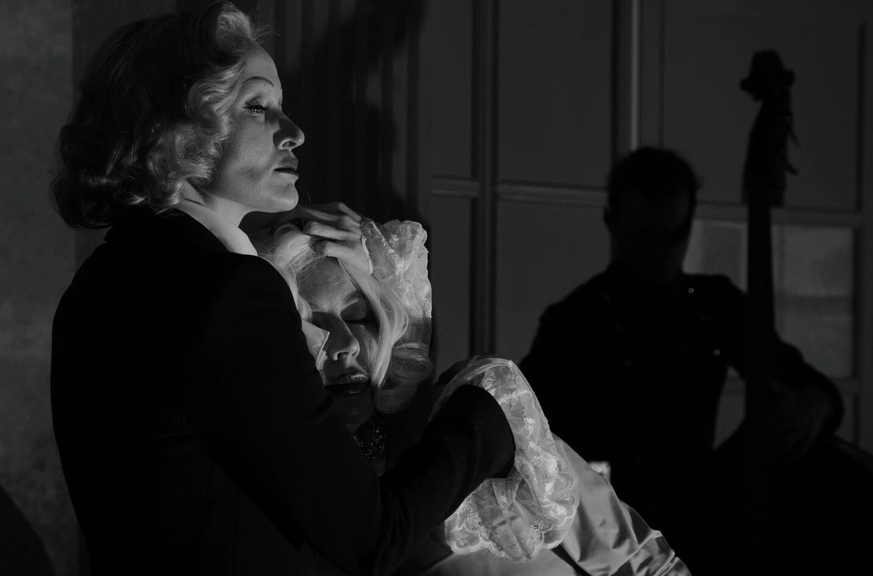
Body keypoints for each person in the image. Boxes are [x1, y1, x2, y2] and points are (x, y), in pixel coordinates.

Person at [48, 4, 515, 575]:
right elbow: (373, 536)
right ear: (175, 129)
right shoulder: (227, 292)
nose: (294, 132)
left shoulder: (104, 280)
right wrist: (485, 418)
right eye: (257, 106)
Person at [257, 219, 691, 576]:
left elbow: (645, 563)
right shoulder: (280, 482)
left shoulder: (474, 414)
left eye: (358, 316)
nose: (345, 343)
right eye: (312, 326)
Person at [517, 146, 847, 573]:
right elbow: (526, 433)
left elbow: (802, 378)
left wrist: (818, 402)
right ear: (612, 221)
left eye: (674, 237)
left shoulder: (715, 305)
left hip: (701, 522)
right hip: (605, 534)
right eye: (644, 238)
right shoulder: (573, 321)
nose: (661, 255)